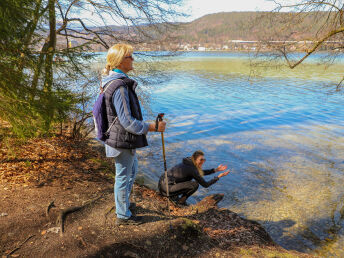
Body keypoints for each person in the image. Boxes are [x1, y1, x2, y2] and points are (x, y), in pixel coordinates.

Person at [102, 44, 166, 225]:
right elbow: (127, 121)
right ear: (121, 61)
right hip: (121, 141)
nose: (133, 59)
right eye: (130, 56)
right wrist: (153, 127)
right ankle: (123, 216)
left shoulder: (111, 81)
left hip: (119, 138)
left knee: (131, 172)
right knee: (123, 176)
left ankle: (124, 205)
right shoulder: (120, 86)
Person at [158, 150, 230, 206]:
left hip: (161, 184)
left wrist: (216, 170)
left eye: (203, 160)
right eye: (200, 160)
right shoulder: (192, 169)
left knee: (187, 180)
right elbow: (205, 185)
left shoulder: (188, 162)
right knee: (195, 185)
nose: (202, 162)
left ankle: (174, 196)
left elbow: (198, 173)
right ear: (195, 159)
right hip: (166, 189)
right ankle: (180, 202)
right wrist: (219, 176)